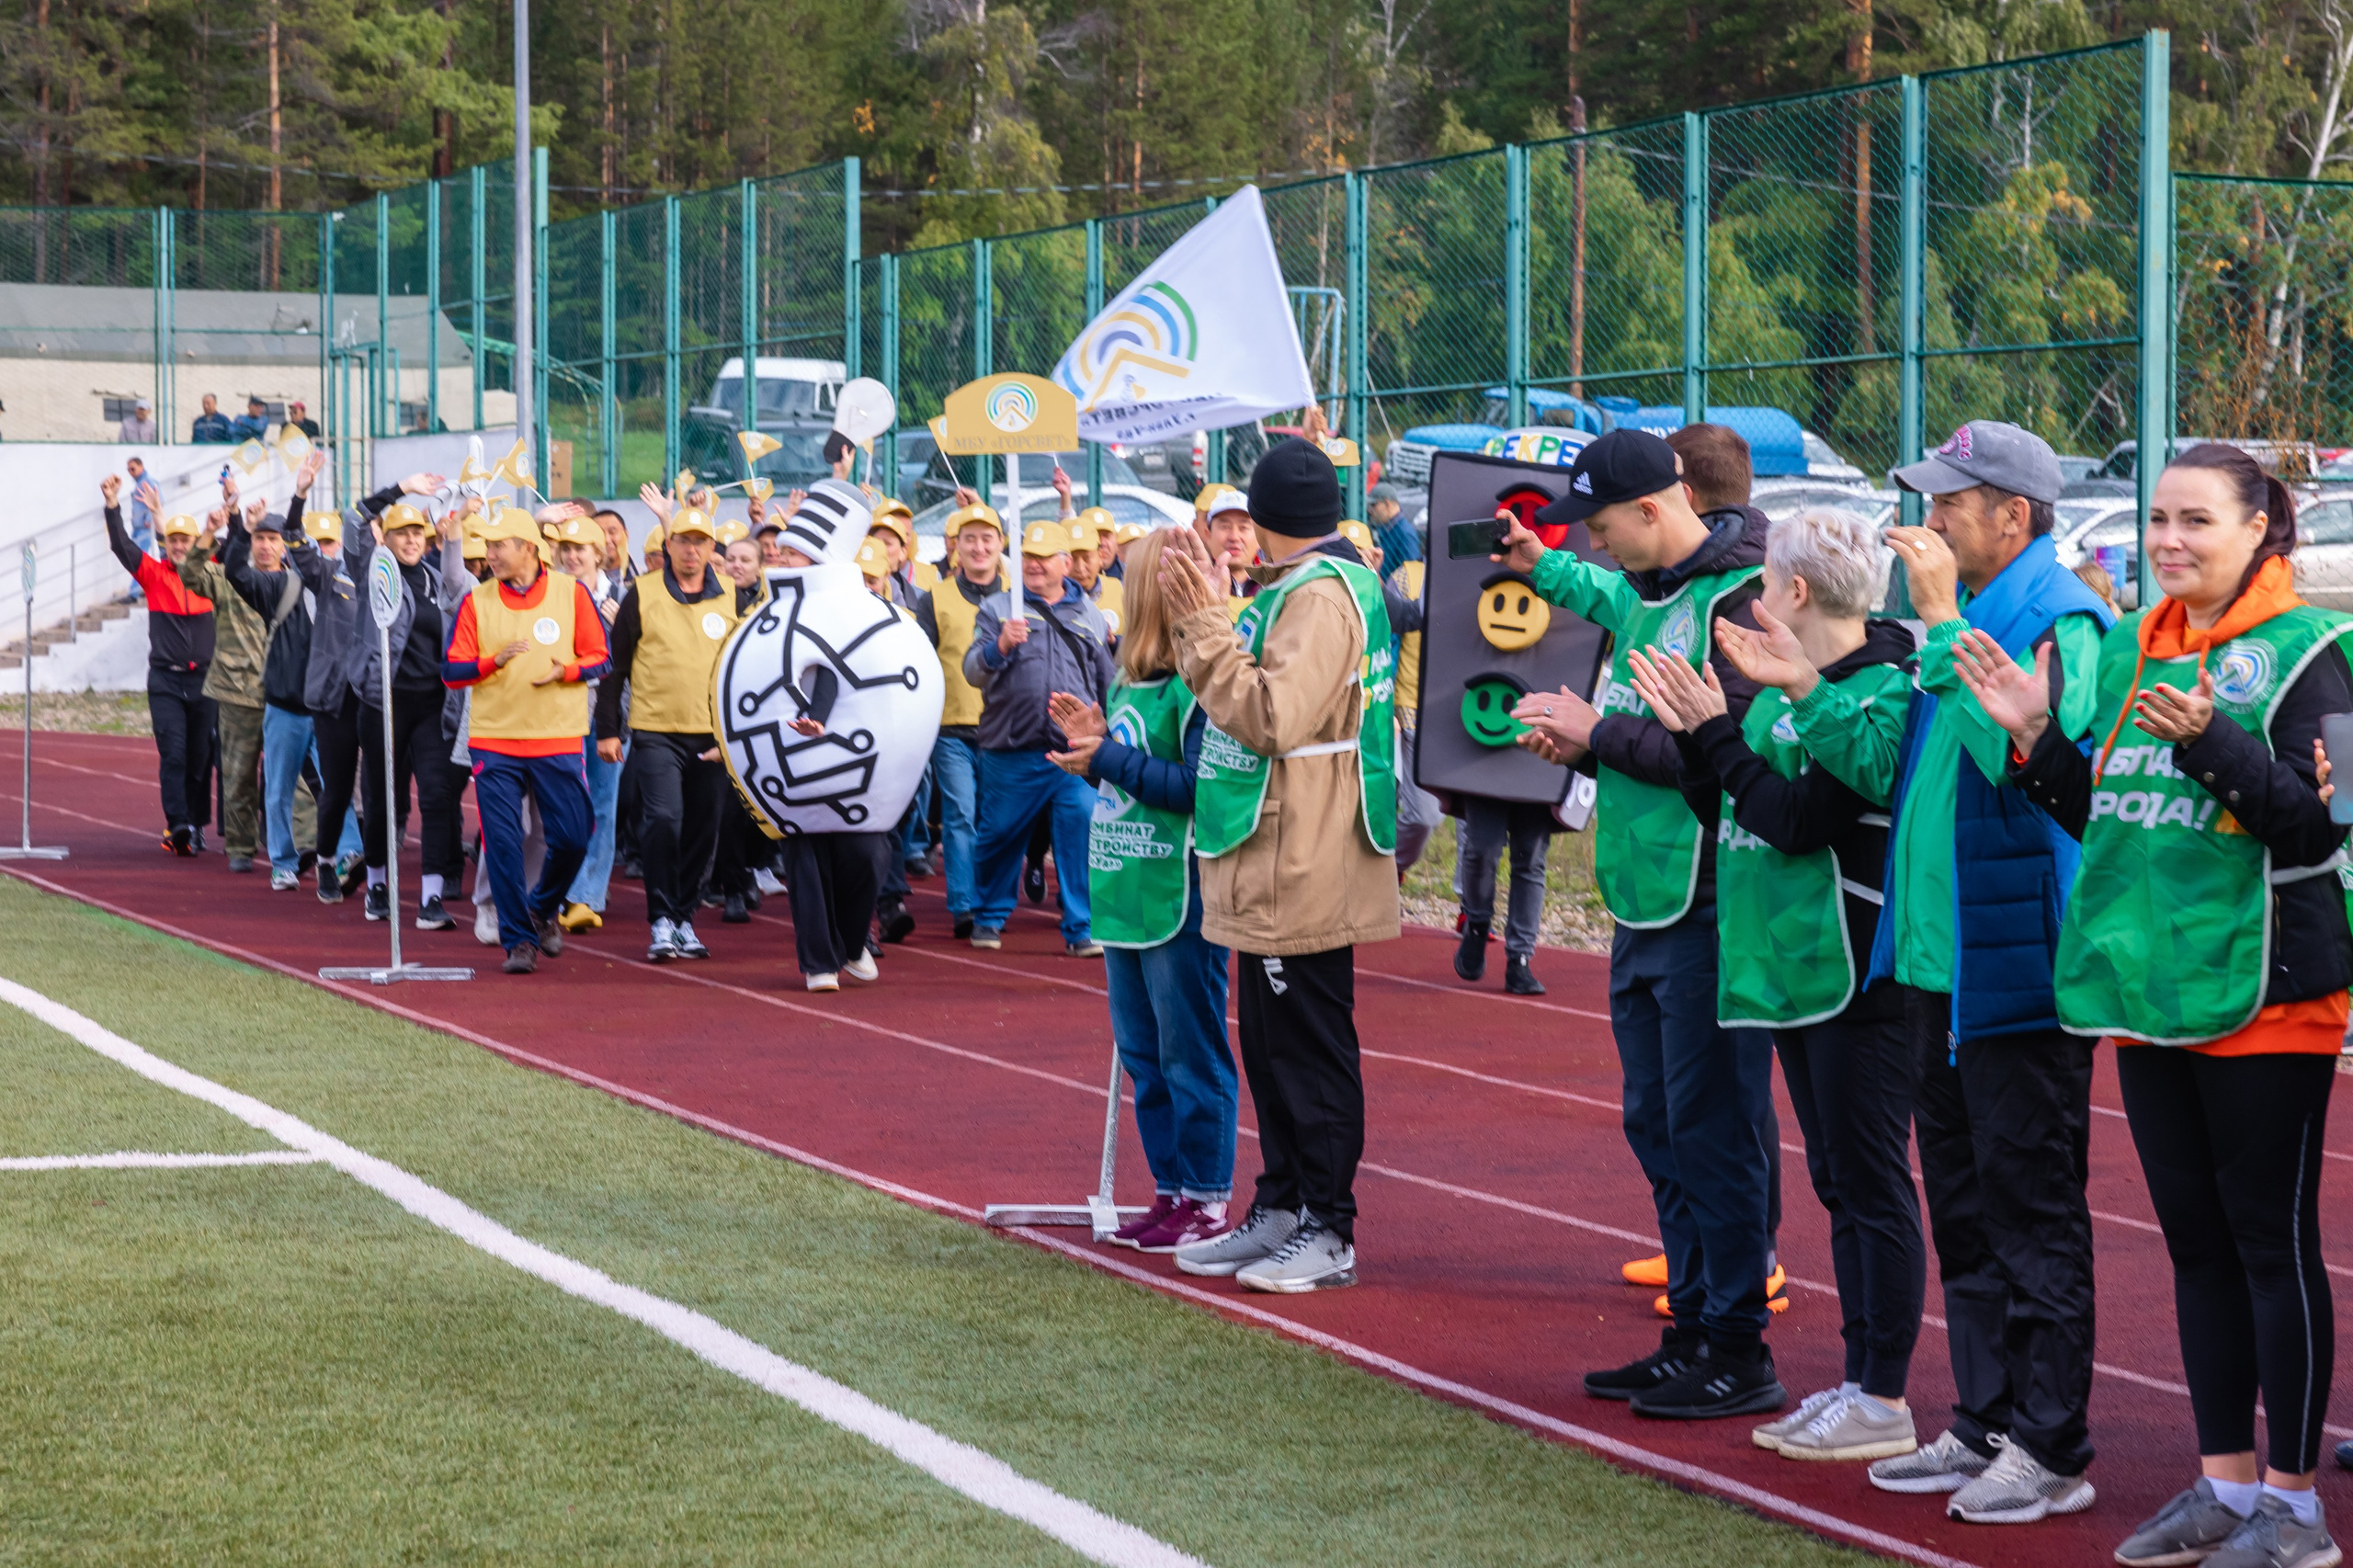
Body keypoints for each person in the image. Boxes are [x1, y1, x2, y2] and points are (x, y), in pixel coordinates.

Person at [1957, 443, 2350, 1564]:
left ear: (2260, 530)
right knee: (2196, 1252)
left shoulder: (2320, 652)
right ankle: (2220, 1486)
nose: (2169, 540)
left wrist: (2214, 741)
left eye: (2197, 521)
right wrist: (2035, 737)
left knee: (2269, 1249)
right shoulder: (2136, 645)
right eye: (2159, 519)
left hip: (2262, 991)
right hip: (2148, 987)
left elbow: (2326, 827)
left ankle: (2294, 1507)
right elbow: (2110, 814)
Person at [1801, 420, 2112, 1519]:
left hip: (2016, 960)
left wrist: (1937, 621)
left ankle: (2050, 1441)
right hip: (1936, 960)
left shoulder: (2062, 615)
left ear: (2011, 516)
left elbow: (2029, 765)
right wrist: (1808, 684)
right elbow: (1907, 768)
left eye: (1948, 501)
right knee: (1968, 1208)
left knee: (2032, 1207)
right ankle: (1982, 1418)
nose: (1928, 520)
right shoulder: (1975, 612)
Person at [1627, 507, 1927, 1462]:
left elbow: (1798, 818)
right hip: (1785, 965)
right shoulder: (1775, 685)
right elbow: (1729, 805)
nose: (1753, 599)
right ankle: (1853, 1382)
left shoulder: (1878, 687)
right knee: (1837, 1179)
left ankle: (1881, 1391)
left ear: (1795, 593)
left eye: (1763, 585)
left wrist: (1717, 734)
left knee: (1871, 1184)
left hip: (1855, 972)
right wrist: (1692, 737)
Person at [1500, 426, 1783, 1419]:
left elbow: (1721, 752)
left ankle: (1740, 1343)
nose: (1597, 544)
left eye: (1604, 525)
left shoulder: (1734, 601)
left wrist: (1595, 733)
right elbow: (1608, 599)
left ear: (1658, 509)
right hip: (1642, 897)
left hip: (1705, 902)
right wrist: (1581, 749)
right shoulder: (1659, 595)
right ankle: (1693, 1327)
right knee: (1657, 1121)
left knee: (1711, 1129)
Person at [1159, 437, 1400, 1294]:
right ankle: (1285, 1204)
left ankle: (1329, 1227)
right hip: (1276, 847)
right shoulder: (1303, 584)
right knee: (1268, 1046)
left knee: (1309, 1046)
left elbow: (1269, 717)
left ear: (1261, 520)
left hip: (1305, 847)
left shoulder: (1322, 595)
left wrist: (1204, 628)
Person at [1049, 529, 1237, 1254]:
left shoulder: (1199, 687)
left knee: (1192, 1054)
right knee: (1144, 1056)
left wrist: (1112, 758)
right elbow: (1128, 779)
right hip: (1124, 889)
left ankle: (1208, 1197)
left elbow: (1196, 790)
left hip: (1177, 892)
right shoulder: (1127, 678)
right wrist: (1093, 757)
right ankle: (1170, 1190)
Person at [287, 473, 467, 926]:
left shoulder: (433, 578)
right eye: (401, 533)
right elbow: (354, 519)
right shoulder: (372, 570)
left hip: (431, 704)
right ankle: (378, 885)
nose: (410, 541)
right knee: (381, 797)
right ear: (385, 537)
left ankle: (430, 899)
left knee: (437, 795)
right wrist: (401, 488)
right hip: (382, 702)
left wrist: (460, 519)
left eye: (416, 534)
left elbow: (457, 579)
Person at [441, 506, 610, 973]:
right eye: (487, 546)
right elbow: (452, 671)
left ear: (529, 549)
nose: (489, 554)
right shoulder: (478, 600)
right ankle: (518, 940)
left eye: (499, 546)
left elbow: (601, 659)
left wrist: (568, 671)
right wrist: (490, 663)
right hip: (494, 739)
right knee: (502, 840)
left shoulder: (571, 593)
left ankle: (541, 909)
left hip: (557, 737)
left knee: (574, 837)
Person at [963, 519, 1117, 954]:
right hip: (1011, 749)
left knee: (1082, 830)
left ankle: (1081, 927)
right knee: (998, 834)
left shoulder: (1087, 611)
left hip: (1073, 750)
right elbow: (973, 670)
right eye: (1028, 556)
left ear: (1065, 563)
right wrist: (1001, 647)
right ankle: (989, 915)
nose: (1033, 565)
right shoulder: (997, 609)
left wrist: (1113, 728)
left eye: (1044, 557)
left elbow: (1104, 675)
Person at [595, 506, 738, 961]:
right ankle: (660, 918)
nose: (691, 550)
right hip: (656, 729)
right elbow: (615, 667)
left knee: (703, 828)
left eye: (700, 542)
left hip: (713, 735)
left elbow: (743, 667)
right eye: (683, 541)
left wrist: (733, 733)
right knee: (663, 820)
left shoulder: (732, 595)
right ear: (668, 546)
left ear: (712, 550)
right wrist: (608, 730)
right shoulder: (643, 592)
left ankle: (684, 919)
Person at [219, 452, 353, 891]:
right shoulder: (280, 585)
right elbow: (236, 573)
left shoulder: (346, 590)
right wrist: (239, 522)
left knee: (336, 788)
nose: (323, 549)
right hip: (287, 707)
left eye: (329, 543)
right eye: (265, 537)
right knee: (277, 790)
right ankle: (283, 862)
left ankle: (349, 854)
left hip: (330, 709)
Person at [101, 479, 215, 855]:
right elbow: (120, 544)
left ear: (200, 544)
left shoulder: (212, 572)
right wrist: (114, 504)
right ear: (166, 543)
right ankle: (177, 824)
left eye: (187, 540)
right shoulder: (153, 573)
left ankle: (196, 824)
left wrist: (230, 511)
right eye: (173, 540)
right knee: (175, 754)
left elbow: (239, 544)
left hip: (205, 682)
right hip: (166, 680)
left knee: (200, 758)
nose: (180, 545)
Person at [914, 502, 1010, 939]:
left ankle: (990, 894)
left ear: (1001, 545)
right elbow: (920, 659)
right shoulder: (934, 599)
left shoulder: (1019, 596)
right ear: (955, 547)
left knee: (997, 820)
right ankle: (965, 904)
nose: (978, 547)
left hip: (1004, 730)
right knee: (960, 814)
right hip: (952, 727)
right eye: (969, 539)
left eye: (987, 538)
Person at [176, 482, 278, 874]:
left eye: (272, 539)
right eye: (259, 539)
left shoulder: (295, 583)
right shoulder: (230, 580)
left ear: (283, 545)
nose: (265, 546)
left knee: (299, 778)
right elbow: (189, 574)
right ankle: (240, 846)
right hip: (237, 693)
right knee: (238, 775)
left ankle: (303, 846)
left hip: (285, 693)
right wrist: (207, 533)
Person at [550, 515, 626, 933]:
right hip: (563, 708)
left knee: (602, 802)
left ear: (600, 554)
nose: (574, 556)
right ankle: (564, 888)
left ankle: (587, 895)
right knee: (565, 801)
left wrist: (620, 626)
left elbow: (635, 659)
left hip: (609, 712)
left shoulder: (623, 596)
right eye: (567, 549)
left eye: (582, 549)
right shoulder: (552, 595)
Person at [1199, 489, 1259, 619]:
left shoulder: (1272, 587)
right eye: (1225, 527)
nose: (1234, 537)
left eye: (1243, 528)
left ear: (1259, 537)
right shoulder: (1195, 586)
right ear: (1208, 535)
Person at [1068, 507, 1124, 637]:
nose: (1080, 567)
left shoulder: (1124, 586)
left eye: (1107, 536)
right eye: (1095, 534)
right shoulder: (1054, 594)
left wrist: (1115, 642)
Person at [1367, 482, 1418, 569]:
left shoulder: (1405, 534)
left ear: (1387, 504)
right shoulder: (1387, 528)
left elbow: (1411, 574)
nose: (1369, 510)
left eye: (1374, 505)